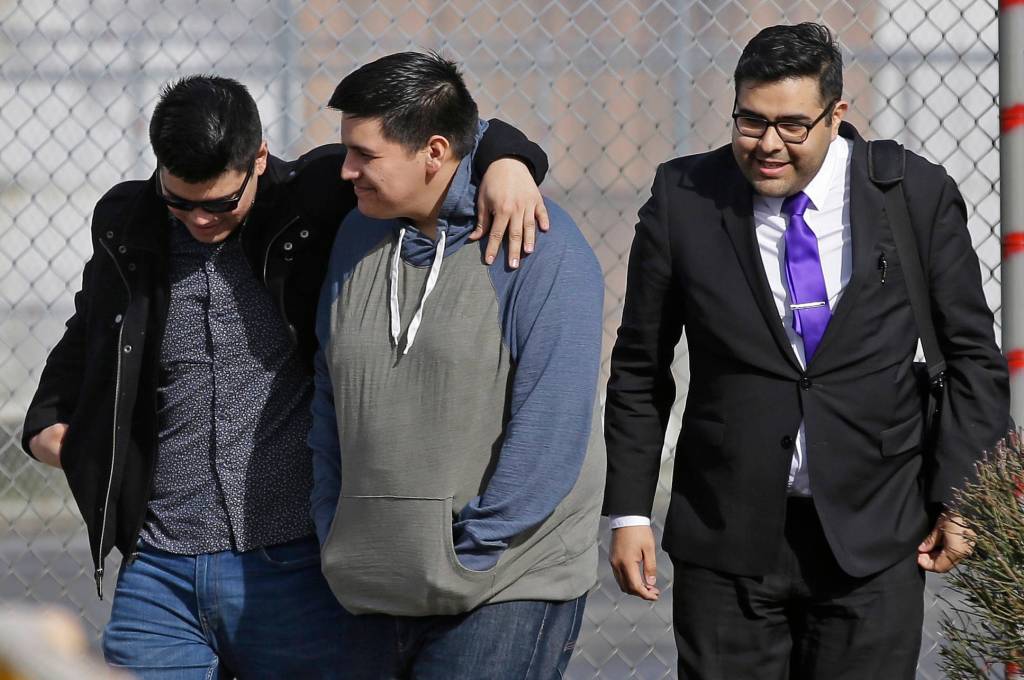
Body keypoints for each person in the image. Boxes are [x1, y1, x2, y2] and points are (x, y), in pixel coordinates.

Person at [21, 73, 550, 678]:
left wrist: (509, 159)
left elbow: (430, 136)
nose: (199, 220)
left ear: (260, 159)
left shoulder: (317, 195)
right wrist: (45, 421)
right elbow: (91, 327)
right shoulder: (128, 220)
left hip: (295, 566)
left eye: (220, 203)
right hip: (158, 567)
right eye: (180, 201)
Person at [603, 22, 1010, 679]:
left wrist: (965, 496)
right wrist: (628, 511)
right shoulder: (685, 199)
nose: (768, 145)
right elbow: (641, 367)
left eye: (792, 125)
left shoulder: (910, 193)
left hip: (874, 532)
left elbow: (970, 354)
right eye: (751, 121)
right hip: (728, 534)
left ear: (837, 114)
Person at [309, 51, 604, 679]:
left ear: (435, 152)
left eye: (366, 155)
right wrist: (336, 523)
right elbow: (328, 394)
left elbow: (552, 420)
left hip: (503, 582)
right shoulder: (357, 235)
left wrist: (476, 547)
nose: (347, 170)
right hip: (373, 575)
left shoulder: (539, 247)